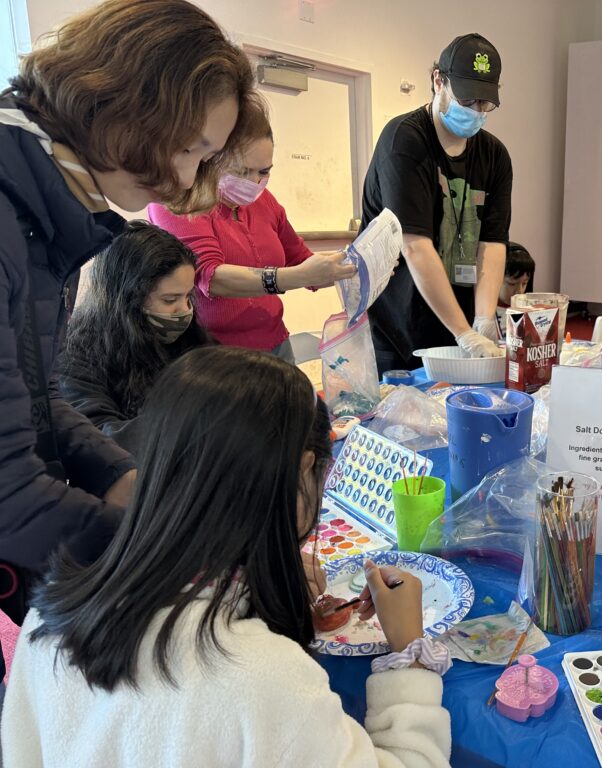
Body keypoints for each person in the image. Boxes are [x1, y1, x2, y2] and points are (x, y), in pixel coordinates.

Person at [2, 347, 452, 766]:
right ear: (303, 471)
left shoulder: (48, 618)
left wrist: (263, 591)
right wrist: (409, 655)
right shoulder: (264, 676)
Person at [0, 0, 260, 697]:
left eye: (203, 158)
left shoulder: (41, 209)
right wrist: (168, 550)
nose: (184, 181)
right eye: (188, 149)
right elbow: (7, 491)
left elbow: (35, 399)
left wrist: (123, 476)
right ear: (123, 104)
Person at [149, 110, 355, 363]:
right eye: (241, 172)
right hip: (213, 353)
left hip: (275, 342)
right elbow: (210, 277)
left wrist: (352, 265)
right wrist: (300, 276)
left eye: (264, 171)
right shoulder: (181, 202)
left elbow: (301, 259)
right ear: (209, 160)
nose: (255, 182)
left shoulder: (264, 201)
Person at [362, 33, 513, 371]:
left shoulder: (495, 155)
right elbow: (414, 245)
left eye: (485, 104)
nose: (476, 111)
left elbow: (492, 243)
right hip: (399, 329)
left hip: (459, 324)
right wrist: (465, 334)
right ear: (438, 81)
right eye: (467, 99)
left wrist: (483, 319)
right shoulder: (404, 140)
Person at [58, 221, 211, 454]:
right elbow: (99, 435)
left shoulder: (188, 338)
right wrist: (199, 424)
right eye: (170, 300)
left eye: (188, 296)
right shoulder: (79, 355)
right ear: (129, 298)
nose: (185, 310)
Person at [497, 241, 535, 333]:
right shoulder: (482, 313)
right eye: (512, 284)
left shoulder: (528, 309)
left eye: (524, 283)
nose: (519, 291)